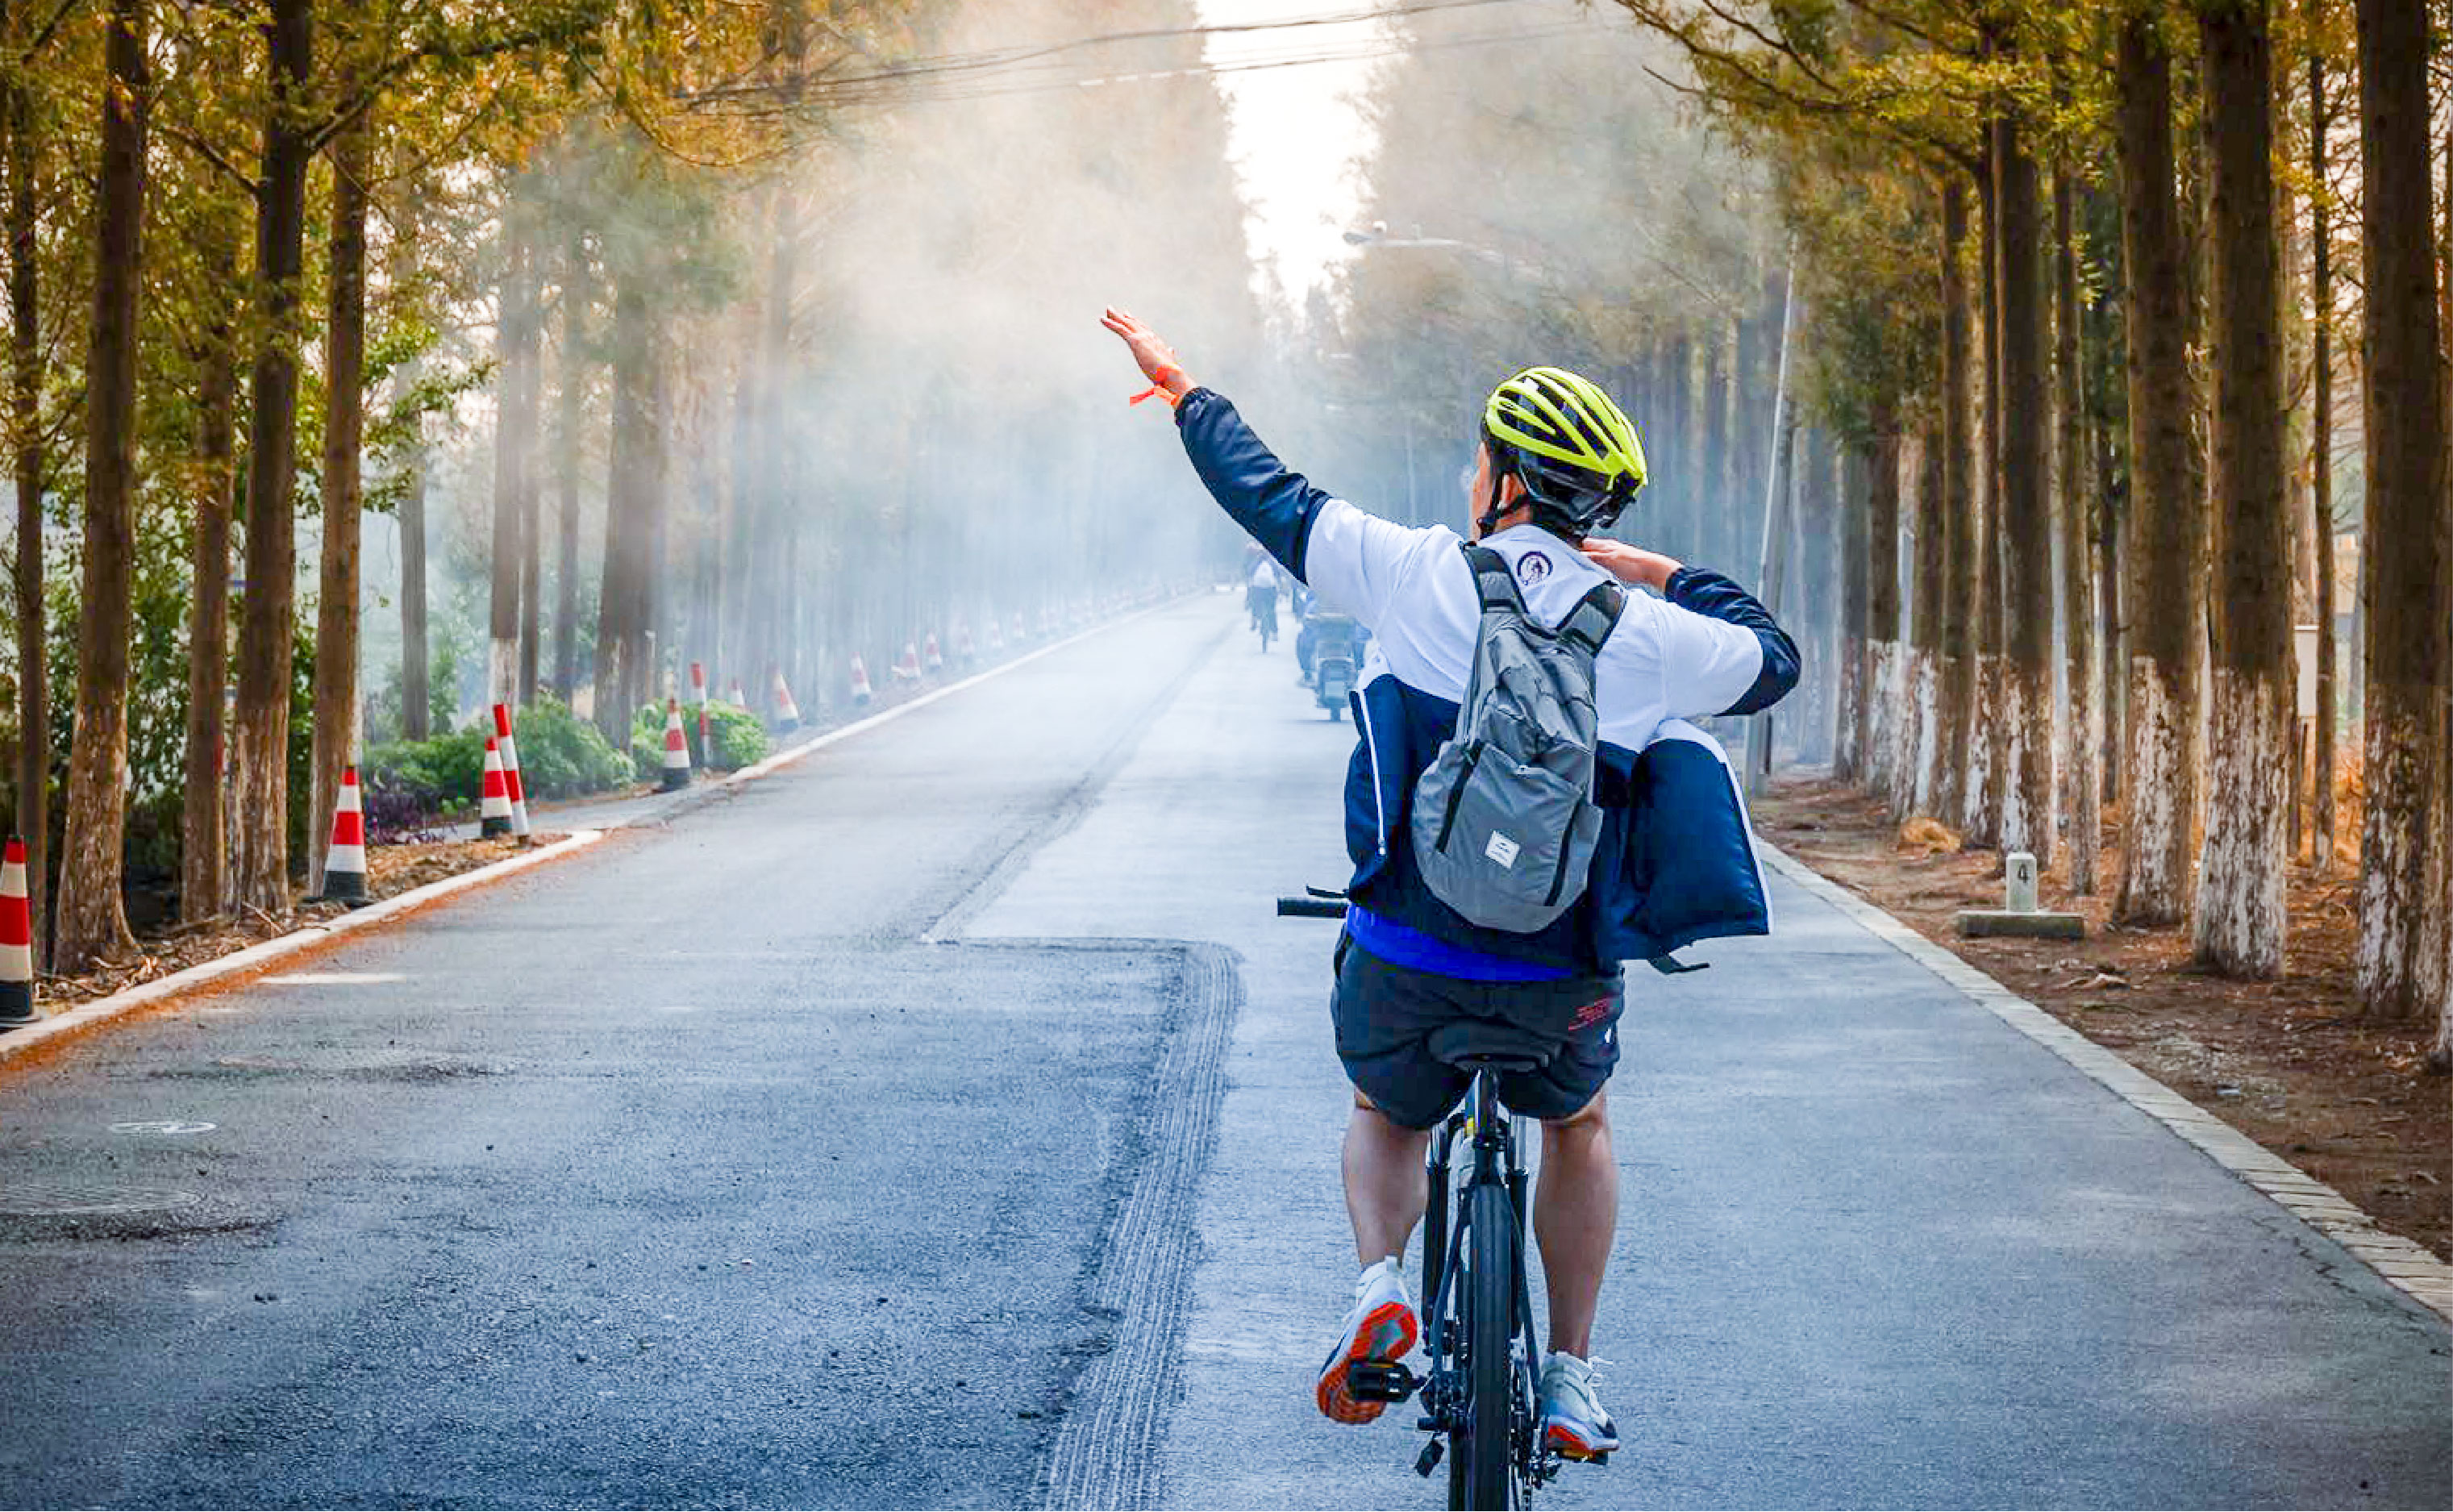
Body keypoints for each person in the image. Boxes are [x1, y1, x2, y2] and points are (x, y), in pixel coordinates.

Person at [1102, 307, 1799, 1464]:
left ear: (1503, 476)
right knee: (1577, 1124)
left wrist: (1186, 394)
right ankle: (1570, 1376)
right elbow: (1770, 660)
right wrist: (1662, 572)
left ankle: (1381, 1285)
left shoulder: (1413, 572)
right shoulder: (1641, 632)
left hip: (1406, 966)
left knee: (1385, 1110)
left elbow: (1266, 495)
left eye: (1483, 456)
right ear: (1600, 508)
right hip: (1559, 983)